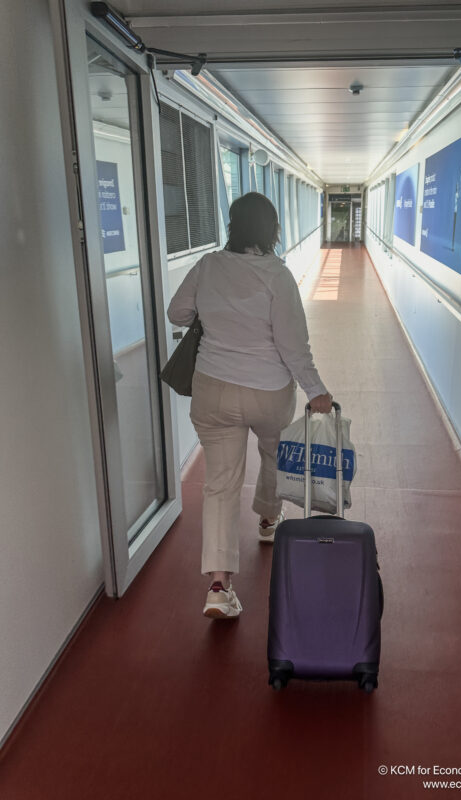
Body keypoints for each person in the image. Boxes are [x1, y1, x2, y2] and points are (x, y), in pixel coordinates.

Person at [167, 192, 332, 620]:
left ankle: (219, 586)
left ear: (233, 226)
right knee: (274, 452)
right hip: (268, 392)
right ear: (272, 230)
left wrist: (213, 314)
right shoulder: (277, 275)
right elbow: (293, 345)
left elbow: (177, 312)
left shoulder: (207, 265)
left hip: (213, 390)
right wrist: (315, 390)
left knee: (220, 483)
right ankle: (266, 520)